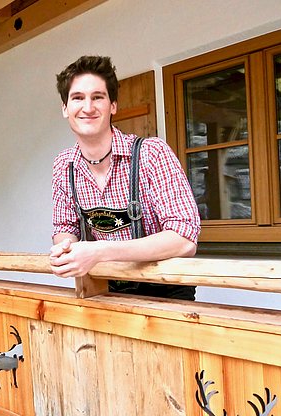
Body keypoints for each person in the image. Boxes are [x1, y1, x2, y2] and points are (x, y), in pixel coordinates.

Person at [49, 55, 201, 300]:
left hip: (166, 293)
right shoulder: (64, 166)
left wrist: (98, 251)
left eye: (97, 97)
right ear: (65, 108)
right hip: (105, 291)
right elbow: (65, 227)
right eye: (78, 98)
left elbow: (184, 239)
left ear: (113, 106)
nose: (87, 107)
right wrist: (66, 249)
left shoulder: (152, 153)